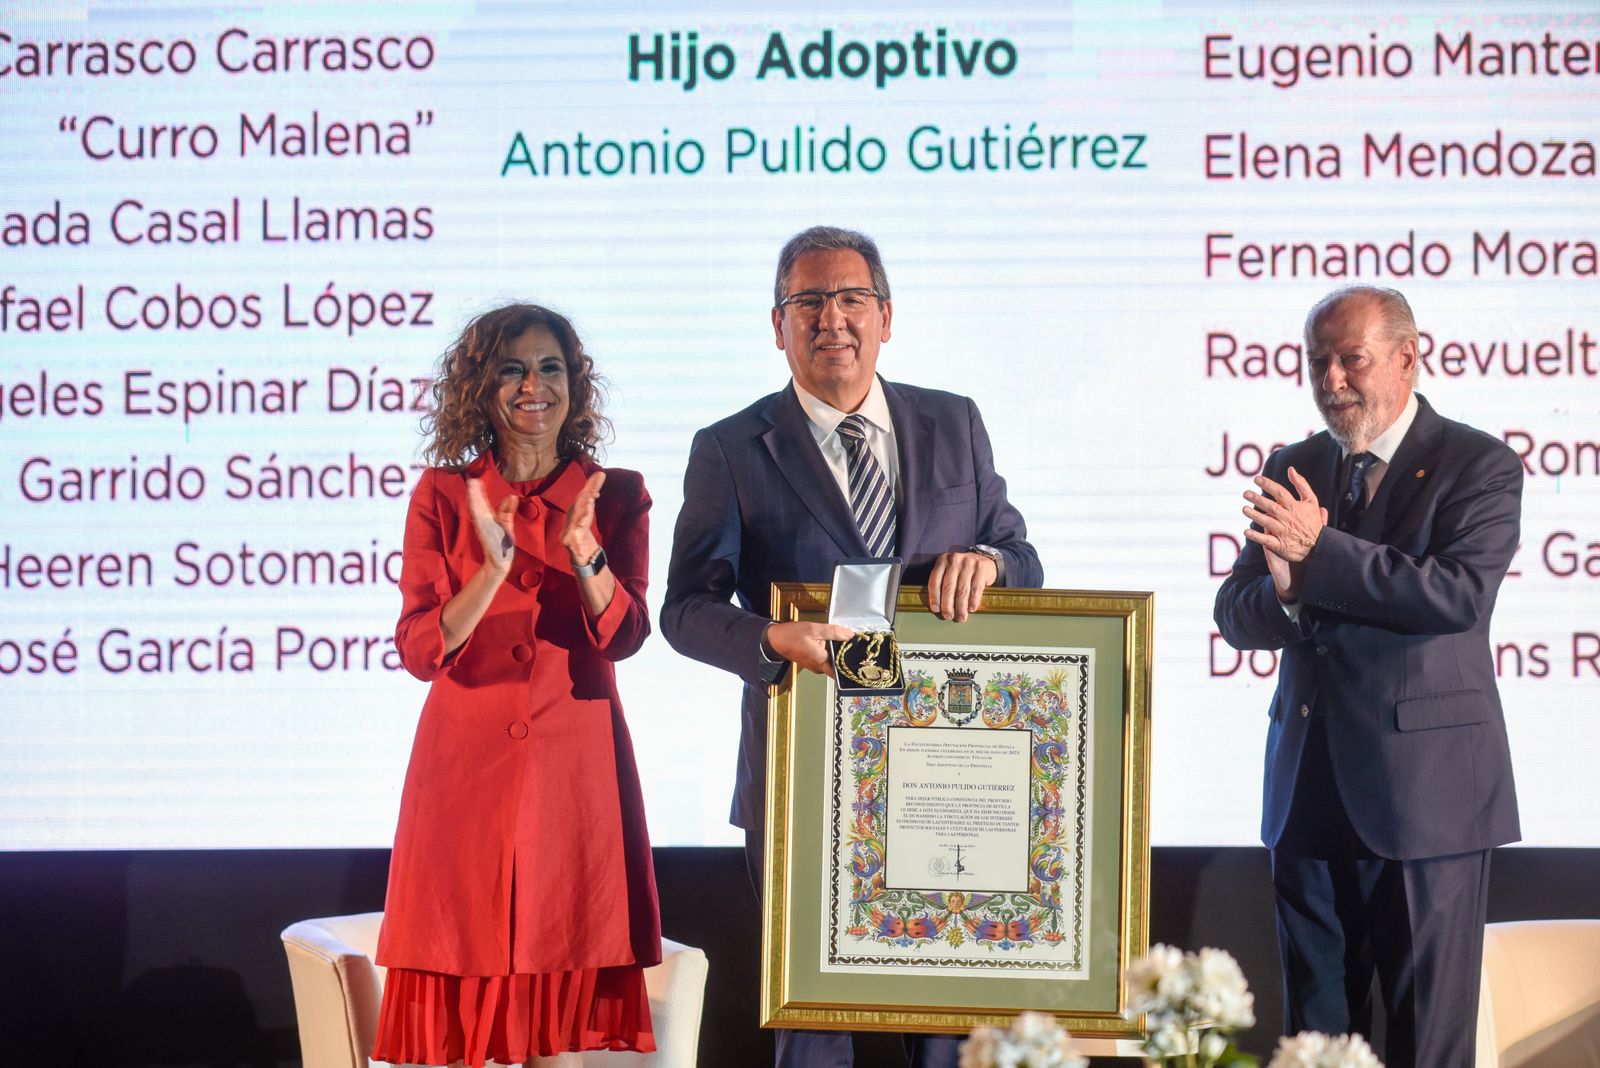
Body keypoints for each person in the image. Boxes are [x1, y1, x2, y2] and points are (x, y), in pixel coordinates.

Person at [661, 225, 1043, 1067]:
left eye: (851, 298)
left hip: (949, 767)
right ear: (778, 324)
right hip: (806, 773)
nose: (831, 318)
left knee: (947, 1017)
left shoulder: (955, 422)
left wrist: (989, 561)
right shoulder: (730, 449)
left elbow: (1021, 556)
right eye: (808, 302)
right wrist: (769, 637)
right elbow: (683, 607)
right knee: (817, 1022)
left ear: (886, 315)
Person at [1213, 285, 1522, 1068]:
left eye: (1352, 360)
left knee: (1429, 1042)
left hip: (1427, 803)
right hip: (1307, 794)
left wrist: (1320, 555)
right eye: (1318, 362)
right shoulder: (1295, 464)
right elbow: (1236, 613)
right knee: (1315, 1040)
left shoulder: (1478, 463)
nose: (1333, 380)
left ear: (1408, 358)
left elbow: (1455, 595)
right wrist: (1284, 592)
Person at [373, 303, 660, 1068]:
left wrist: (584, 554)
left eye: (551, 367)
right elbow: (419, 647)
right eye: (511, 368)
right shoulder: (442, 494)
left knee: (556, 1030)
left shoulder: (616, 493)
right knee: (469, 1031)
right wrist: (490, 571)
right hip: (465, 776)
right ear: (480, 388)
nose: (534, 385)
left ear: (575, 383)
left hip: (576, 775)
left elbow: (627, 635)